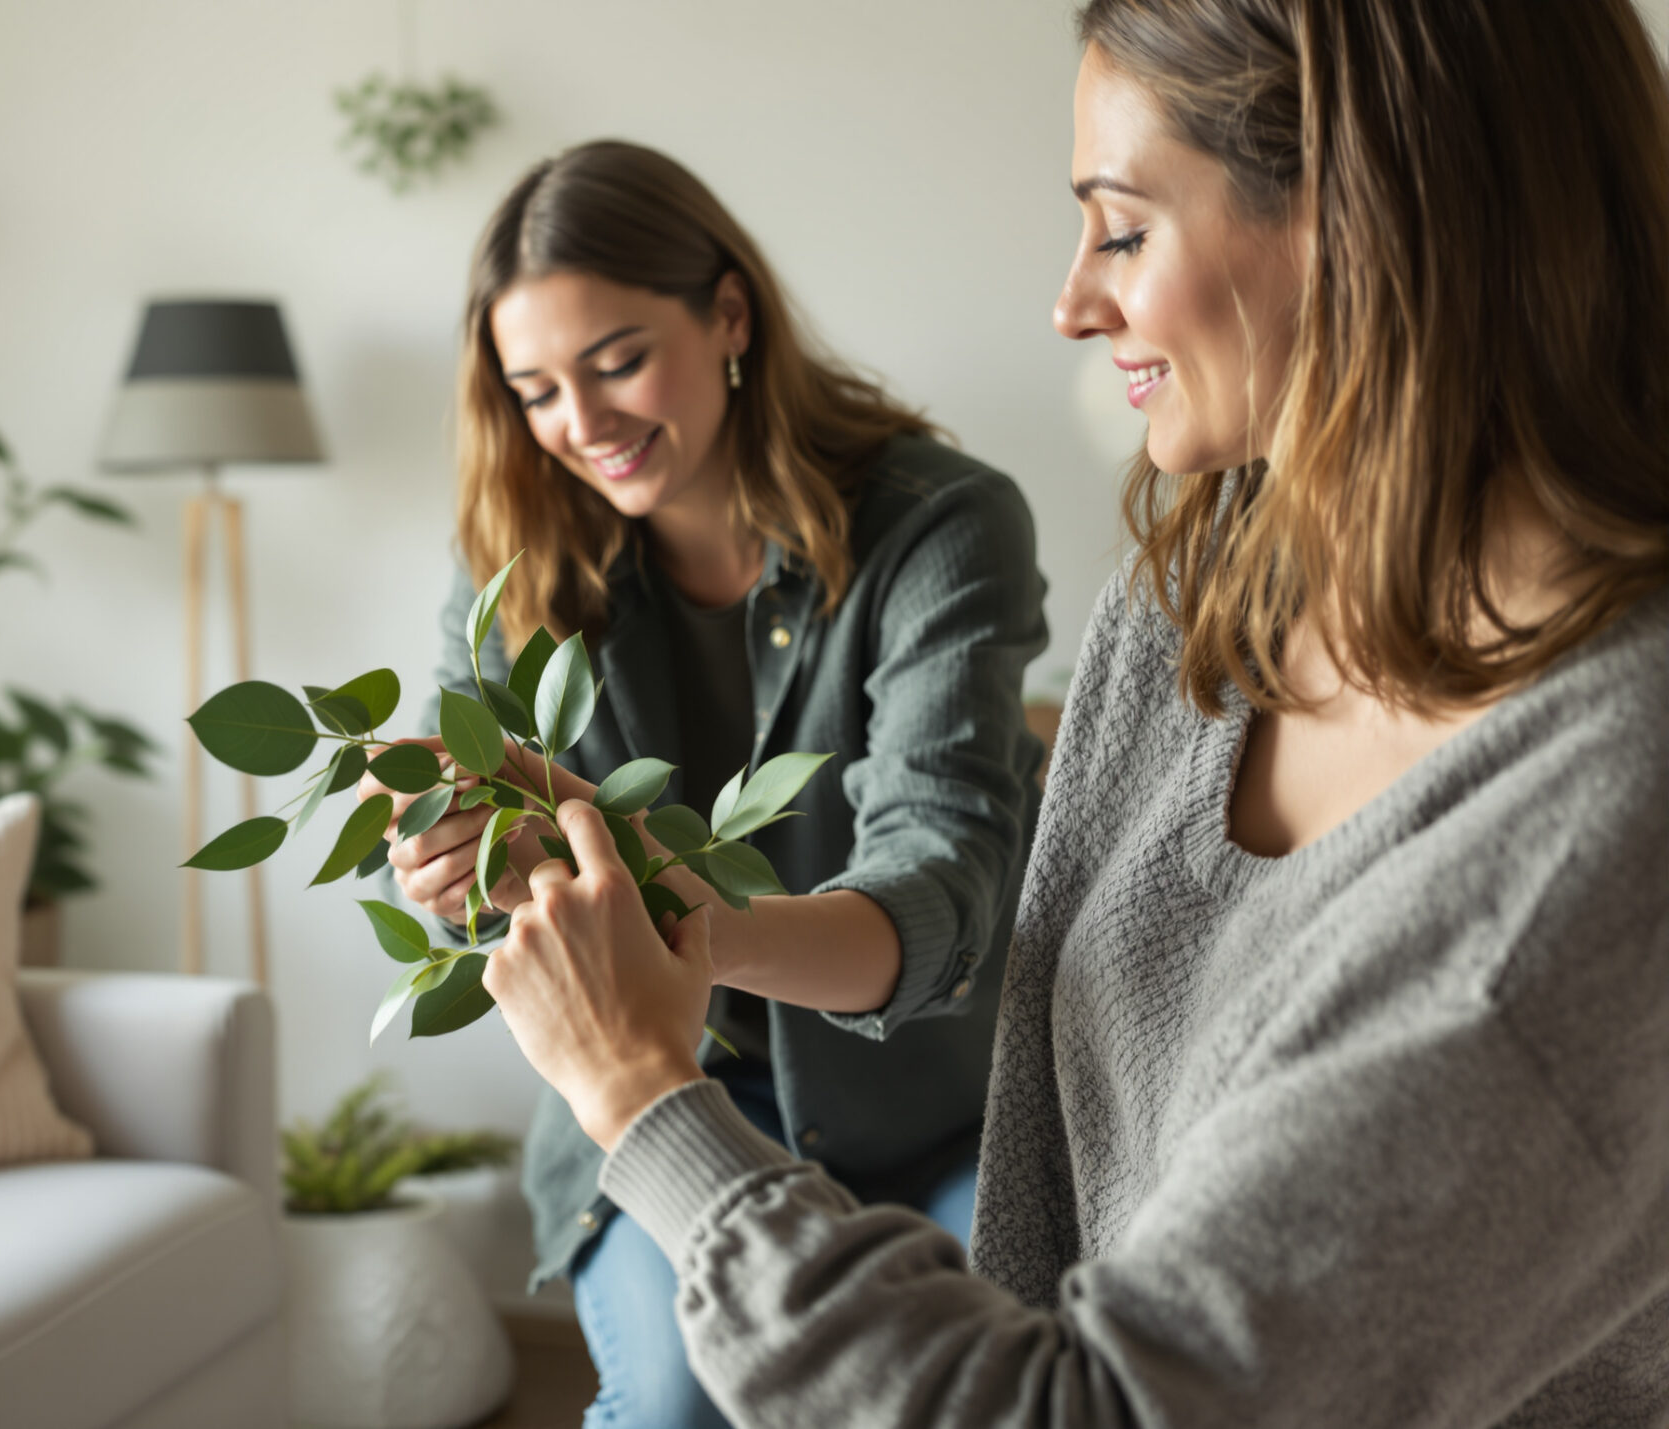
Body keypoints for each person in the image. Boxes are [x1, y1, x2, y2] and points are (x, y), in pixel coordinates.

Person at [479, 0, 1669, 1423]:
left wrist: (640, 1087)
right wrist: (602, 905)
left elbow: (1074, 1398)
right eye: (535, 387)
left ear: (1366, 217)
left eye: (1121, 229)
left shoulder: (1591, 831)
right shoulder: (1204, 579)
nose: (1071, 303)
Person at [364, 140, 1049, 1427]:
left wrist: (670, 918)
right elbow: (484, 864)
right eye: (536, 390)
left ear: (728, 315)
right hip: (660, 1087)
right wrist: (446, 850)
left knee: (970, 1371)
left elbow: (942, 890)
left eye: (617, 360)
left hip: (934, 1111)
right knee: (679, 1398)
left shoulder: (942, 527)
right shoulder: (510, 556)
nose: (582, 424)